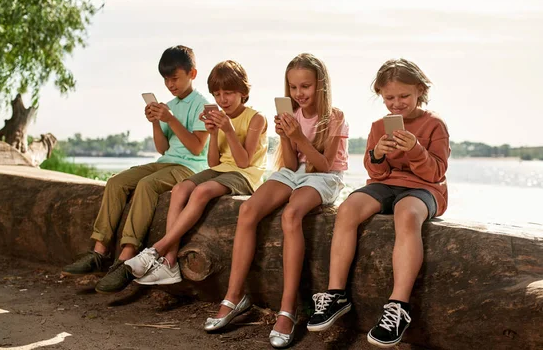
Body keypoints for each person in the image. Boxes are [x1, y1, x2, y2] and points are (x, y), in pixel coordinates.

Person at [204, 53, 349, 348]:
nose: (299, 94)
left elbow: (322, 164)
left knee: (291, 214)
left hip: (324, 175)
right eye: (293, 88)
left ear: (320, 85)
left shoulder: (335, 117)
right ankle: (233, 296)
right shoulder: (292, 113)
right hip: (293, 171)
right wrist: (287, 134)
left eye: (305, 87)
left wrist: (300, 137)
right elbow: (290, 162)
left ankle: (288, 308)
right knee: (247, 210)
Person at [306, 59, 450, 348]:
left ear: (420, 90)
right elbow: (376, 174)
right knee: (347, 209)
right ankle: (336, 294)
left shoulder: (434, 125)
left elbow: (436, 172)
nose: (396, 104)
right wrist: (378, 154)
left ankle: (398, 306)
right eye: (389, 98)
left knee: (406, 213)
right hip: (385, 185)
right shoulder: (378, 126)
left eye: (404, 97)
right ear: (381, 96)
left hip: (425, 189)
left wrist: (415, 150)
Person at [61, 45, 210, 294]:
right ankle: (99, 251)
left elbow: (196, 148)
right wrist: (155, 122)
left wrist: (170, 119)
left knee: (146, 185)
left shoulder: (202, 106)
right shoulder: (169, 104)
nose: (170, 84)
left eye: (175, 78)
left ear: (192, 74)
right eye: (165, 79)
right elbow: (163, 149)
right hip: (167, 162)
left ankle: (126, 256)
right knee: (116, 182)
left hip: (190, 167)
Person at [124, 60, 268, 285]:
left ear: (243, 92)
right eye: (217, 94)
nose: (222, 100)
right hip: (221, 170)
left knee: (201, 191)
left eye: (229, 93)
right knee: (180, 189)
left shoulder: (256, 118)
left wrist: (228, 130)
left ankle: (157, 250)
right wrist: (212, 133)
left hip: (246, 175)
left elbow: (243, 162)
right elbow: (212, 162)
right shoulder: (219, 117)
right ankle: (170, 263)